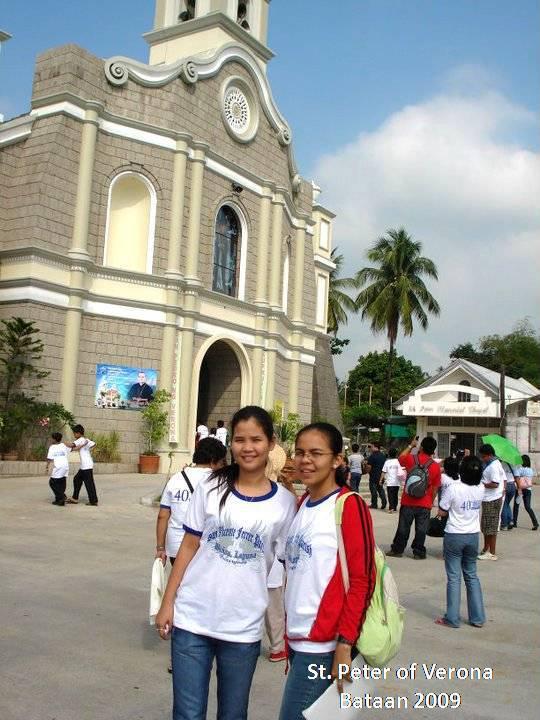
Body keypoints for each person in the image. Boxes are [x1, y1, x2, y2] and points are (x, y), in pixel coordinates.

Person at [155, 406, 296, 720]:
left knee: (233, 714)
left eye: (256, 440)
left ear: (271, 443)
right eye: (240, 440)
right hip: (192, 618)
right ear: (230, 443)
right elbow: (189, 546)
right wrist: (168, 602)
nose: (248, 447)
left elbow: (292, 566)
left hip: (242, 626)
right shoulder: (210, 486)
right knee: (187, 714)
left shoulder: (285, 504)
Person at [279, 422, 376, 720]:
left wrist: (345, 644)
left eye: (316, 453)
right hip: (298, 638)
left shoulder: (349, 505)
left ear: (337, 460)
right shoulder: (302, 503)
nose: (305, 460)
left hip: (324, 644)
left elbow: (362, 580)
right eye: (300, 452)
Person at [155, 438, 227, 567]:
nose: (223, 466)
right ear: (213, 461)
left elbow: (163, 516)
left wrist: (160, 548)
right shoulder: (218, 481)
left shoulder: (176, 478)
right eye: (222, 462)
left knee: (179, 578)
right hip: (205, 548)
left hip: (176, 546)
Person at [434, 455, 486, 629]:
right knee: (472, 575)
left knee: (454, 577)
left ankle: (452, 618)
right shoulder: (480, 488)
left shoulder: (454, 488)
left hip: (455, 534)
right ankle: (477, 618)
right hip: (472, 535)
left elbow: (442, 511)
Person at [388, 436, 441, 559]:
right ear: (433, 450)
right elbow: (435, 488)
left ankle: (397, 549)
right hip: (424, 502)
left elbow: (400, 458)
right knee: (421, 529)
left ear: (421, 447)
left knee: (403, 527)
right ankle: (418, 552)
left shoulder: (411, 459)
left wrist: (411, 445)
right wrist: (430, 502)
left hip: (408, 500)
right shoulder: (435, 466)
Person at [478, 444, 505, 561]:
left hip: (492, 499)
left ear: (489, 455)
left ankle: (492, 552)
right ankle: (486, 548)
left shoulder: (493, 466)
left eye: (484, 456)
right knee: (485, 526)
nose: (482, 459)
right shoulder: (493, 464)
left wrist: (482, 484)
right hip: (489, 498)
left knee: (491, 527)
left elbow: (495, 484)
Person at [66, 425, 98, 506]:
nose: (74, 435)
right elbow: (94, 444)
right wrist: (88, 450)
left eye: (74, 433)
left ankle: (93, 501)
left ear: (79, 433)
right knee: (77, 479)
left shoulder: (80, 439)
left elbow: (72, 445)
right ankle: (75, 498)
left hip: (86, 465)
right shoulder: (86, 439)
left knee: (89, 483)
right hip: (85, 465)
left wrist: (63, 444)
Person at [513, 455, 538, 530]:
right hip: (528, 489)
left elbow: (516, 476)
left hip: (520, 488)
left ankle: (514, 522)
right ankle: (535, 523)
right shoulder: (531, 470)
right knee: (528, 507)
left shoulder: (520, 469)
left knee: (516, 505)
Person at [46, 432, 70, 506]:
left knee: (52, 482)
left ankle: (62, 497)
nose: (51, 440)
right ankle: (58, 500)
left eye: (51, 438)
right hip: (65, 466)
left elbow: (49, 458)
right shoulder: (64, 445)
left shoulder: (52, 447)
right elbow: (72, 448)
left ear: (54, 439)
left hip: (59, 466)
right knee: (62, 482)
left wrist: (47, 466)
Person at [366, 441, 387, 509]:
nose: (370, 448)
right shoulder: (383, 456)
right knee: (380, 489)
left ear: (375, 447)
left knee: (373, 490)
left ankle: (374, 504)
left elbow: (369, 466)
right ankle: (384, 502)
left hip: (373, 475)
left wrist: (367, 471)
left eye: (371, 446)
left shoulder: (372, 456)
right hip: (381, 475)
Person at [381, 447, 401, 513]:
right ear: (396, 454)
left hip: (389, 481)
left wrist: (380, 480)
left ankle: (391, 508)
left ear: (389, 454)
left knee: (390, 495)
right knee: (395, 494)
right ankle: (394, 507)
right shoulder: (398, 461)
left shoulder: (387, 462)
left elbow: (383, 472)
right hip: (397, 481)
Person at [500, 462, 518, 530]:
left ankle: (504, 524)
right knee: (507, 504)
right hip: (512, 485)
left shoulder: (501, 465)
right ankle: (510, 521)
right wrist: (519, 488)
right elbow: (517, 476)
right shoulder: (513, 464)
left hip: (505, 485)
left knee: (504, 505)